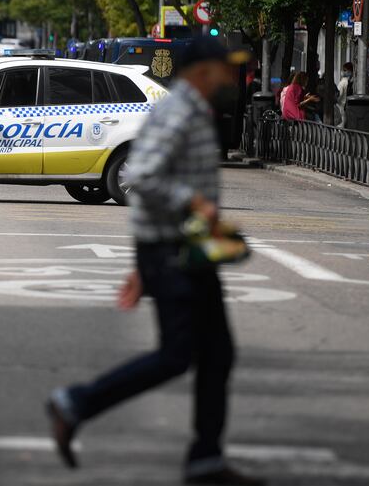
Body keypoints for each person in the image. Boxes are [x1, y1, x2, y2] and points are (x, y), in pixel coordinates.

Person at [46, 37, 263, 486]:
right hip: (172, 253)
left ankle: (206, 458)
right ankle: (76, 404)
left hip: (180, 250)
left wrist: (146, 262)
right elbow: (141, 175)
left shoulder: (194, 110)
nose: (230, 79)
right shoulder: (178, 112)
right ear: (202, 73)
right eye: (224, 70)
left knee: (217, 354)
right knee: (176, 355)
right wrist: (194, 206)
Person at [336, 62, 353, 127]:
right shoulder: (350, 82)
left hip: (341, 109)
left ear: (350, 71)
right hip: (346, 109)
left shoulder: (342, 83)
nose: (342, 72)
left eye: (345, 70)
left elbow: (338, 96)